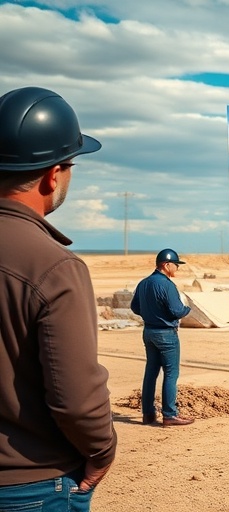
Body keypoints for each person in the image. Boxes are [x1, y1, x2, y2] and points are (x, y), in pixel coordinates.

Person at [0, 87, 117, 509]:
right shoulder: (53, 266)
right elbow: (75, 399)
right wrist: (102, 450)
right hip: (31, 484)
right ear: (54, 174)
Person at [130, 249, 194, 427]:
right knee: (171, 373)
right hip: (166, 334)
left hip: (149, 332)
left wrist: (151, 314)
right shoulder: (167, 285)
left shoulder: (143, 283)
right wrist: (187, 309)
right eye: (176, 265)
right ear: (166, 265)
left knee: (151, 373)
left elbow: (135, 307)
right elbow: (176, 311)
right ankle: (169, 415)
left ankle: (148, 414)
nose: (177, 269)